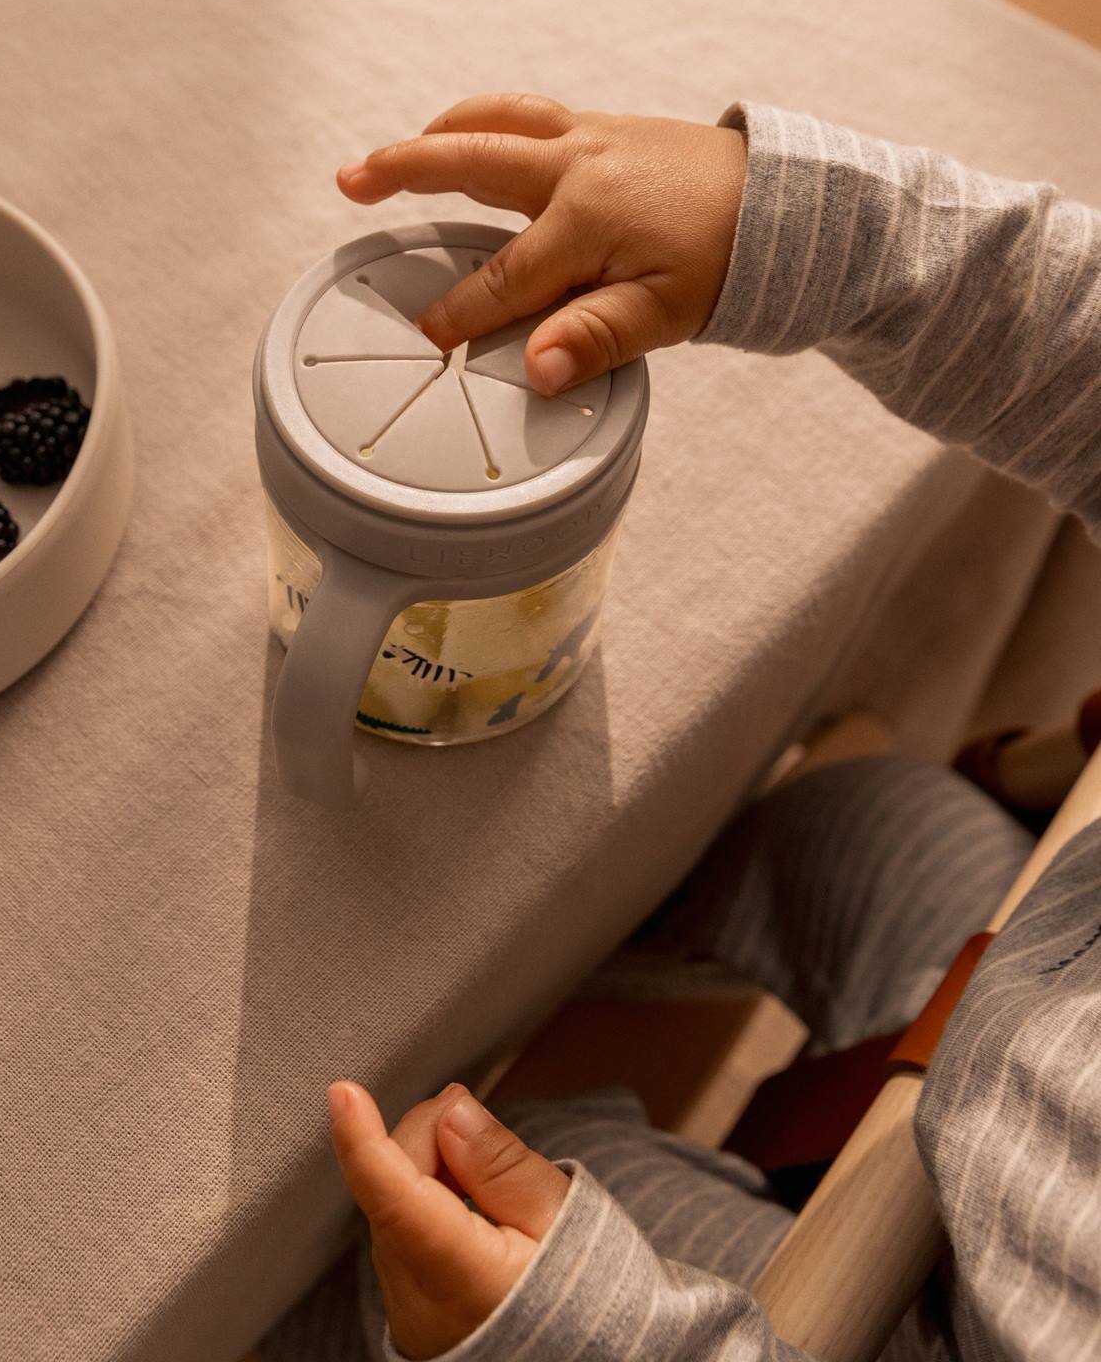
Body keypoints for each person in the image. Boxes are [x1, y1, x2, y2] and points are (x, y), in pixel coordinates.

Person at [263, 93, 1101, 1362]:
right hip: (1044, 985)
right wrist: (803, 228)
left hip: (918, 1316)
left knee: (449, 1216)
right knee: (868, 826)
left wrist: (571, 1334)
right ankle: (602, 947)